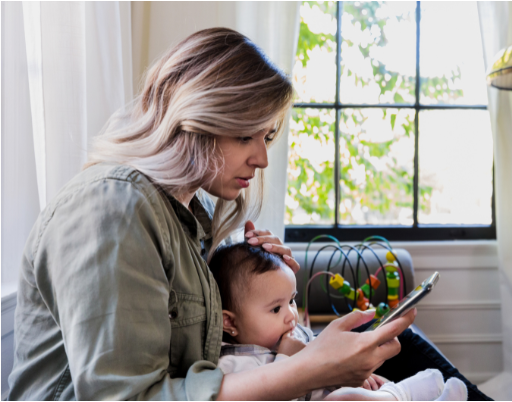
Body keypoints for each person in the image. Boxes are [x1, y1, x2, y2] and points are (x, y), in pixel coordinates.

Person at [7, 28, 415, 401]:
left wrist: (261, 289)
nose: (261, 159)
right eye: (244, 136)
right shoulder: (113, 209)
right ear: (195, 121)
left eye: (266, 136)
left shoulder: (183, 215)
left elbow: (207, 358)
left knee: (407, 350)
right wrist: (309, 370)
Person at [210, 242, 469, 401]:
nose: (291, 314)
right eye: (276, 309)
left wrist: (354, 374)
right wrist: (287, 358)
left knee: (369, 385)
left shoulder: (293, 334)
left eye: (291, 300)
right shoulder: (232, 364)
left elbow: (328, 361)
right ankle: (401, 395)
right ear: (229, 323)